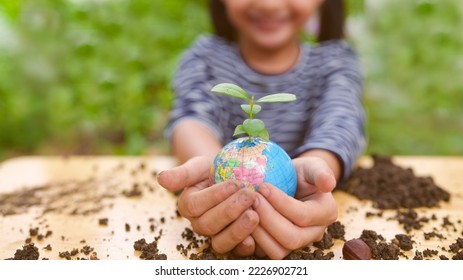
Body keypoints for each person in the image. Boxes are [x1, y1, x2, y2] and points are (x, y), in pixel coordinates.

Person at [158, 0, 366, 260]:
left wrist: (318, 170)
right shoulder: (204, 58)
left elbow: (341, 123)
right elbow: (190, 120)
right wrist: (214, 171)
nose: (269, 4)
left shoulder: (336, 61)